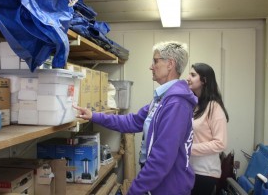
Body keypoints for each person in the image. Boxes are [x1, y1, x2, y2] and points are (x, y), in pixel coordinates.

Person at [74, 41, 197, 195]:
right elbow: (132, 121)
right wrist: (94, 116)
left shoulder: (176, 103)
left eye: (155, 61)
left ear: (170, 64)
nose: (151, 66)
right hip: (158, 184)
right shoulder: (162, 99)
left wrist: (135, 190)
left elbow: (162, 158)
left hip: (170, 187)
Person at [187, 63, 229, 195]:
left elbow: (220, 143)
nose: (188, 78)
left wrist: (189, 148)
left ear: (204, 80)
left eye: (193, 75)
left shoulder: (214, 107)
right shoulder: (196, 105)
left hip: (205, 172)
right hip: (191, 169)